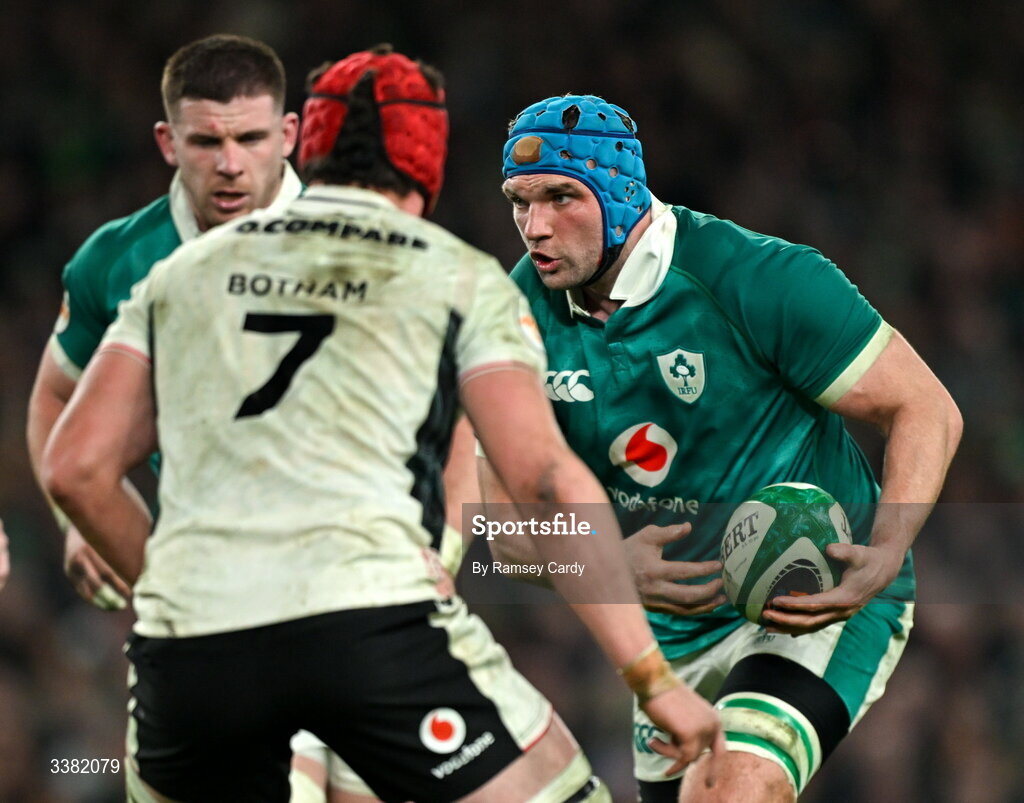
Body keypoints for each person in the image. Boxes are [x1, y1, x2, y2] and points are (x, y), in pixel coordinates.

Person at [42, 48, 724, 802]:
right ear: (427, 168)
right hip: (368, 625)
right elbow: (546, 480)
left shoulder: (181, 272)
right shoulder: (455, 276)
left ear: (310, 147)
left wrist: (176, 585)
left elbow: (75, 465)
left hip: (189, 657)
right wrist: (654, 680)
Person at [484, 94, 962, 802]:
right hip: (668, 645)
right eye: (520, 202)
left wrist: (888, 548)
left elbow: (924, 406)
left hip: (812, 596)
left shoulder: (756, 277)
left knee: (736, 787)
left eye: (561, 197)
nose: (536, 226)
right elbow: (501, 530)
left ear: (619, 193)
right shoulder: (511, 316)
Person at [26, 33, 302, 612]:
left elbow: (456, 414)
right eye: (206, 141)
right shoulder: (115, 260)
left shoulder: (359, 244)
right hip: (201, 585)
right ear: (167, 142)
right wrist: (82, 524)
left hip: (354, 578)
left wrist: (447, 546)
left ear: (288, 135)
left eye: (250, 138)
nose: (230, 164)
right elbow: (55, 396)